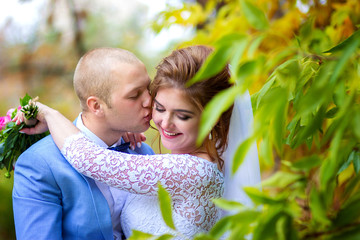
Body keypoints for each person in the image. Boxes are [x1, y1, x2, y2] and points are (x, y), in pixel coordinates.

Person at [17, 45, 261, 238]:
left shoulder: (192, 170)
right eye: (160, 107)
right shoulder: (41, 163)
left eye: (183, 115)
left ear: (213, 120)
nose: (163, 122)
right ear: (96, 105)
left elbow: (88, 159)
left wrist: (50, 114)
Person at [12, 47, 154, 240]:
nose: (149, 101)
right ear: (96, 106)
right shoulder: (39, 164)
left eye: (149, 88)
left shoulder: (143, 152)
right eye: (134, 95)